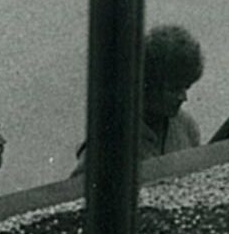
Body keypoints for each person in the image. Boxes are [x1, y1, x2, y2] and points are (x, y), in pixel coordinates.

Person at [70, 24, 205, 177]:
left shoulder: (186, 127)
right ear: (146, 84)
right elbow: (76, 195)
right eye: (174, 89)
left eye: (186, 87)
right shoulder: (109, 140)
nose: (183, 98)